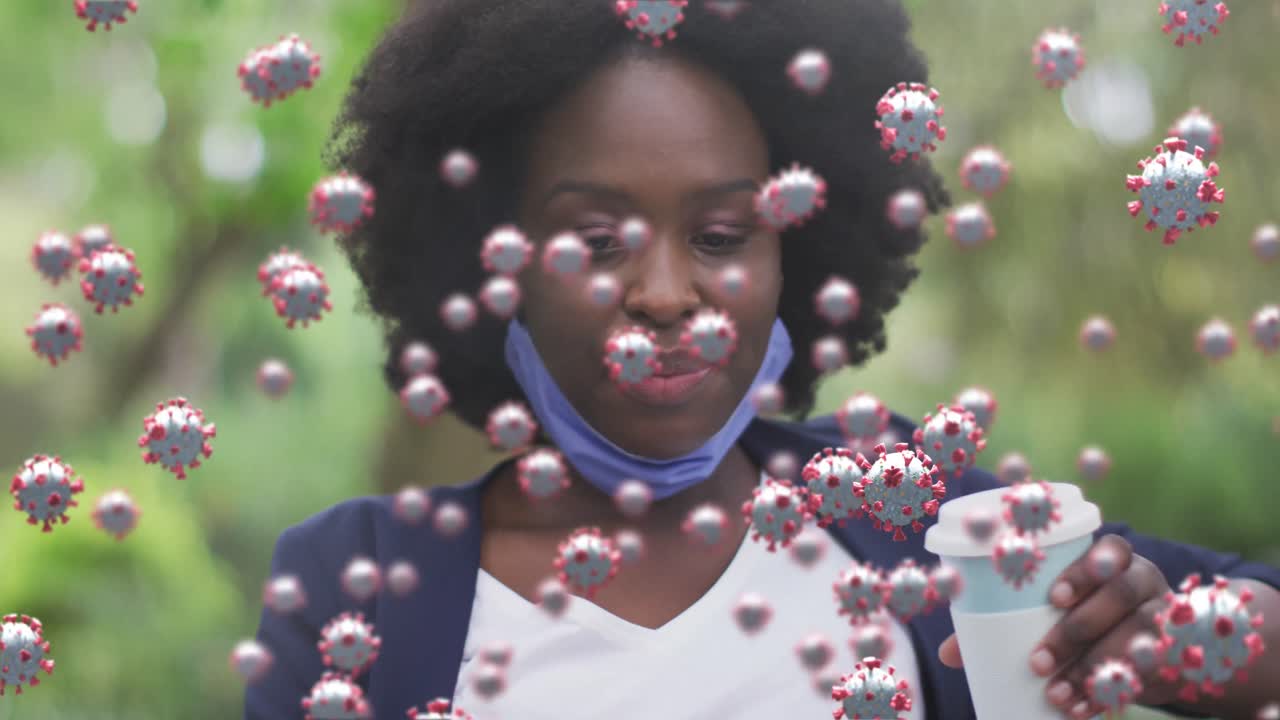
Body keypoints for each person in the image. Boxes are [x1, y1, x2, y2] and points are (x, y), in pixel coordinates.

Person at [245, 2, 1280, 719]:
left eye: (720, 235)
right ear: (495, 262)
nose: (664, 293)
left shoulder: (904, 507)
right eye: (596, 242)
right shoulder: (349, 584)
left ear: (795, 249)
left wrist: (1164, 641)